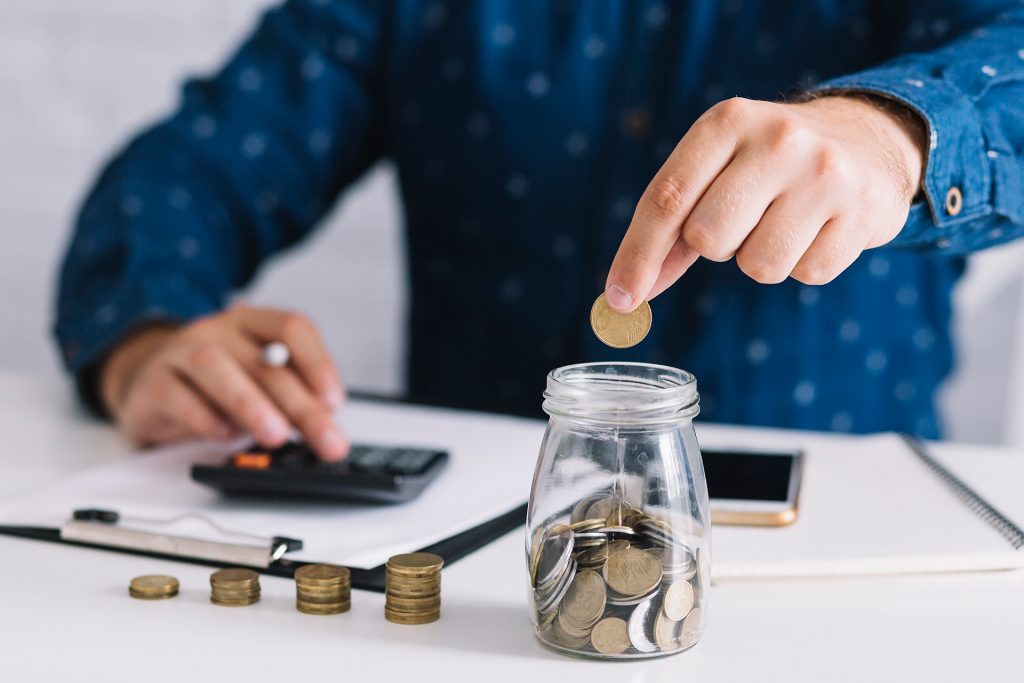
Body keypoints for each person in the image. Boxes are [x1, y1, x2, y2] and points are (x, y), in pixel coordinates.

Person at [55, 1, 1024, 461]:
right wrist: (146, 338)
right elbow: (192, 168)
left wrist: (893, 131)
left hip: (836, 526)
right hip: (477, 539)